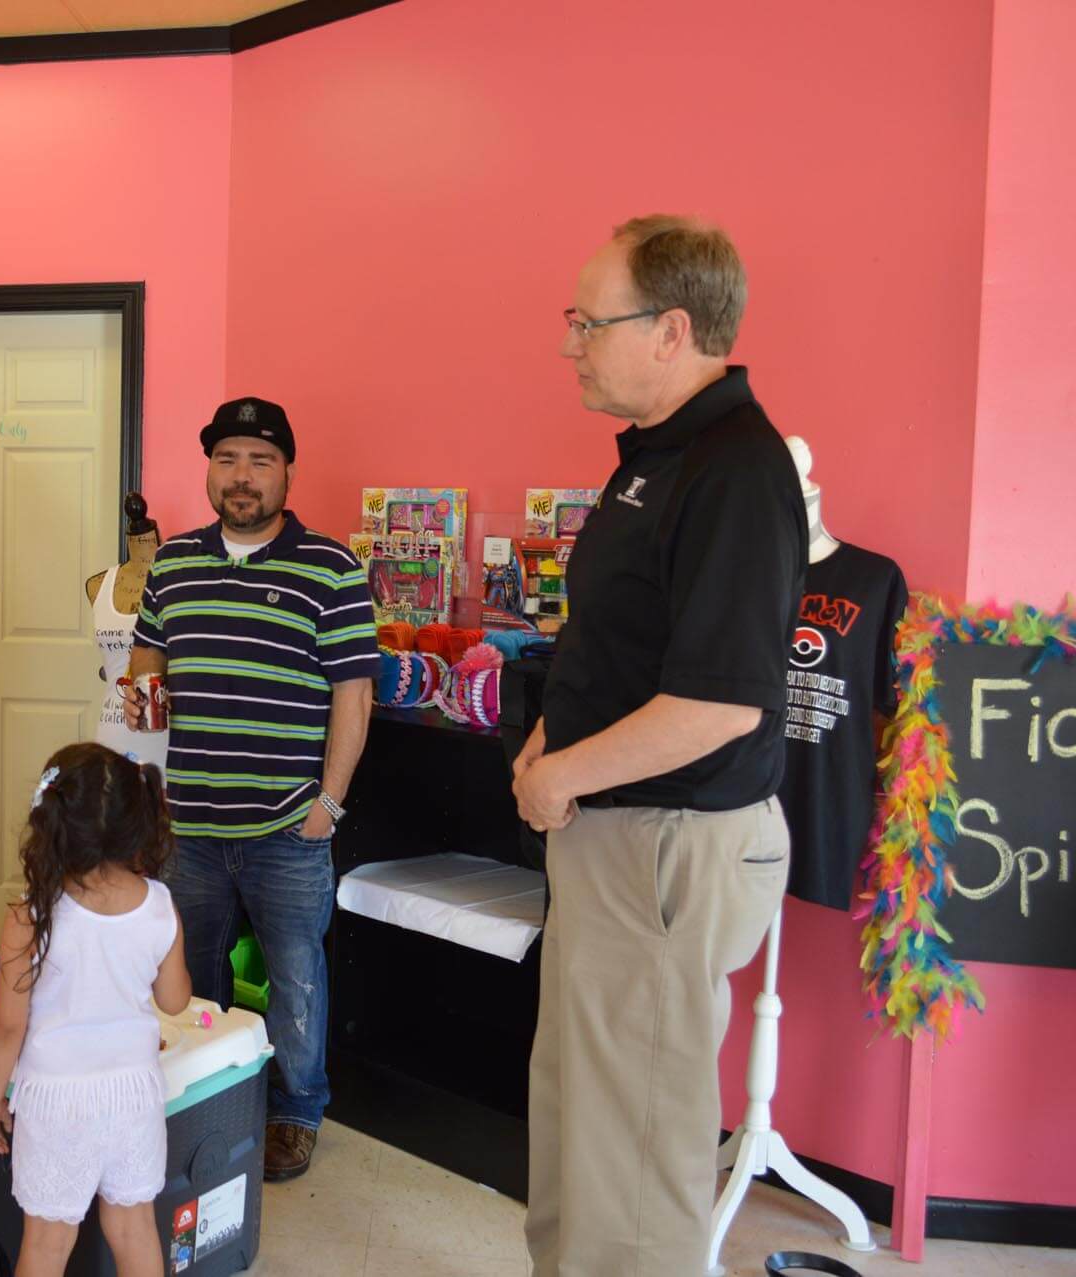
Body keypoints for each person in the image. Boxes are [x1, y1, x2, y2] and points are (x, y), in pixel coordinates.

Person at [512, 216, 806, 1277]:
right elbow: (623, 643)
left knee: (633, 1154)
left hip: (668, 845)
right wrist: (548, 737)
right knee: (580, 1122)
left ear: (672, 330)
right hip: (615, 837)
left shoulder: (735, 472)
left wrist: (559, 773)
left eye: (589, 322)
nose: (570, 344)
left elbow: (720, 704)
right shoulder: (656, 459)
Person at [124, 397, 376, 1183]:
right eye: (228, 458)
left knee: (296, 978)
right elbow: (147, 654)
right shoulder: (174, 563)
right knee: (192, 978)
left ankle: (296, 1111)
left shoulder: (331, 567)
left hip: (286, 826)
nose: (242, 476)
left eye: (260, 461)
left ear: (286, 473)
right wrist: (140, 689)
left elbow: (354, 696)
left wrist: (327, 804)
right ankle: (207, 1099)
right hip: (190, 823)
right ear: (210, 470)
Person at [0, 743, 193, 1277]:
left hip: (56, 1103)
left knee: (47, 1244)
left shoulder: (31, 917)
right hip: (134, 1097)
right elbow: (175, 1000)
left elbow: (6, 1025)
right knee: (134, 1229)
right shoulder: (159, 905)